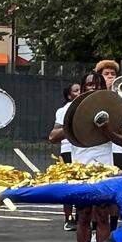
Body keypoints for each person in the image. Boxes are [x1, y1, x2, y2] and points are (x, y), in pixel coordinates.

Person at [64, 71, 122, 242]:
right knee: (82, 216)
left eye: (97, 84)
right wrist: (77, 123)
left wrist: (106, 129)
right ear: (82, 88)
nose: (92, 88)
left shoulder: (113, 107)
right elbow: (53, 136)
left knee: (102, 217)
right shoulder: (69, 109)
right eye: (88, 85)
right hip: (80, 169)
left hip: (104, 169)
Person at [50, 82, 82, 231]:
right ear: (70, 95)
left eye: (80, 89)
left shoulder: (89, 105)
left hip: (83, 149)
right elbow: (54, 133)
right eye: (76, 90)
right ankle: (69, 218)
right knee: (69, 183)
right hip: (68, 149)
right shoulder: (63, 110)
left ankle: (82, 217)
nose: (79, 92)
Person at [95, 60, 122, 170]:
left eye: (113, 74)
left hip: (119, 146)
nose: (110, 76)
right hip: (99, 146)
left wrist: (121, 97)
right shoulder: (95, 94)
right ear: (99, 77)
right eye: (106, 74)